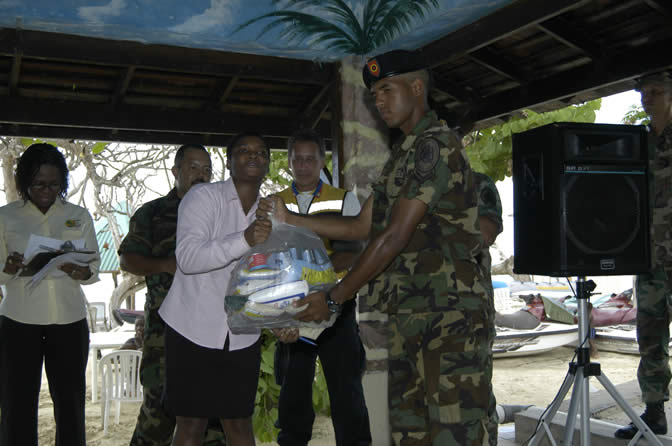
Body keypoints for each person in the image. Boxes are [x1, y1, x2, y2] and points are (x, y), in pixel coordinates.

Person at [259, 50, 493, 445]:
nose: (379, 100)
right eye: (373, 94)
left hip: (451, 317)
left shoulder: (434, 146)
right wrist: (292, 219)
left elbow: (393, 236)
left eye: (386, 89)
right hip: (411, 312)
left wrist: (333, 299)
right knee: (411, 429)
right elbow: (363, 225)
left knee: (455, 431)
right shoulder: (401, 155)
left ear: (417, 88)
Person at [158, 132, 273, 446]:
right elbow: (189, 258)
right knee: (191, 424)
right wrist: (245, 239)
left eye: (261, 152)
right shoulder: (203, 198)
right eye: (243, 150)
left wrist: (285, 318)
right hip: (192, 327)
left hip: (242, 332)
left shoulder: (275, 211)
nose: (253, 156)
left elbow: (274, 277)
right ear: (229, 160)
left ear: (269, 165)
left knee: (239, 424)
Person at [119, 144, 228, 445]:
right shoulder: (153, 214)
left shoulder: (222, 213)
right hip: (165, 331)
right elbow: (128, 259)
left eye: (207, 170)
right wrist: (164, 265)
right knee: (159, 412)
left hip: (213, 328)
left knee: (213, 417)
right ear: (176, 171)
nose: (201, 175)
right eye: (193, 168)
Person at [274, 128, 371, 446]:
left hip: (335, 304)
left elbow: (356, 249)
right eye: (297, 159)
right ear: (289, 162)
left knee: (346, 392)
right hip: (292, 309)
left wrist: (319, 277)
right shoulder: (274, 203)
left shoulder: (344, 200)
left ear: (322, 160)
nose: (303, 166)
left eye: (310, 159)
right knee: (292, 395)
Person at [0, 143, 100, 446]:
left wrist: (82, 272)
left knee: (70, 406)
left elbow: (93, 265)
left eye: (54, 184)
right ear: (24, 181)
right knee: (17, 406)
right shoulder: (6, 217)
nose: (46, 190)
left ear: (63, 183)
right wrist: (8, 267)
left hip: (69, 321)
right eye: (39, 184)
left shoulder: (79, 216)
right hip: (19, 321)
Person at [615, 71, 672, 439]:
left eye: (655, 91)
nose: (646, 98)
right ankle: (654, 412)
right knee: (650, 335)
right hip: (650, 258)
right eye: (642, 93)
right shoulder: (638, 144)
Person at [474, 172, 504, 446]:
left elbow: (485, 232)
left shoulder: (477, 183)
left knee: (476, 402)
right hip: (413, 314)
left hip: (469, 314)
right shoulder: (406, 182)